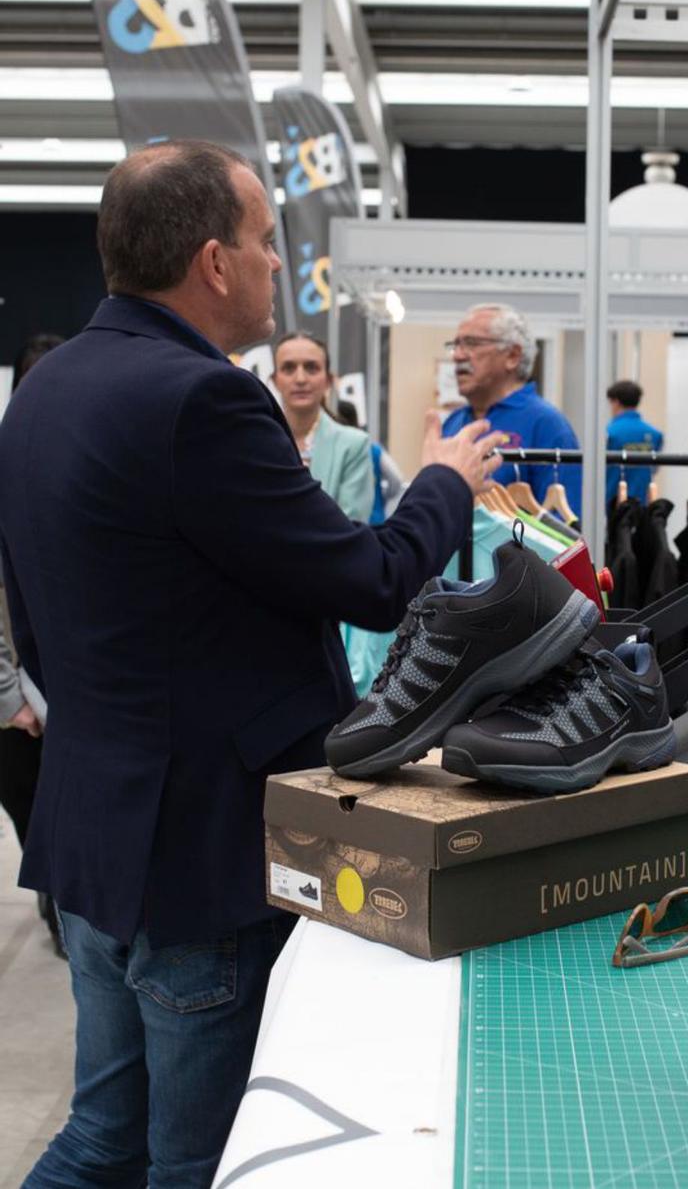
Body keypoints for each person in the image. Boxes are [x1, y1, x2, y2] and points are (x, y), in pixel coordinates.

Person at [0, 139, 501, 1188]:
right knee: (193, 1157)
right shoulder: (205, 400)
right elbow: (366, 575)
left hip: (95, 832)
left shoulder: (44, 392)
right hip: (200, 854)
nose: (281, 265)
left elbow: (39, 628)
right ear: (215, 263)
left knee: (103, 1136)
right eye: (269, 243)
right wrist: (445, 481)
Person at [0, 333, 63, 955]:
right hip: (19, 697)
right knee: (33, 809)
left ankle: (60, 909)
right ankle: (55, 910)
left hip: (66, 688)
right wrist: (8, 696)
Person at [442, 302, 581, 511]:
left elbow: (565, 525)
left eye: (471, 344)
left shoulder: (547, 424)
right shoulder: (454, 422)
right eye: (456, 345)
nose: (458, 356)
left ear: (512, 356)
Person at [272, 330, 373, 521]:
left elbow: (352, 524)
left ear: (328, 380)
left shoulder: (353, 446)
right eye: (288, 368)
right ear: (275, 380)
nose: (300, 379)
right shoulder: (258, 442)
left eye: (311, 368)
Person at [605, 380, 663, 504]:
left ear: (616, 402)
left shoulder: (609, 433)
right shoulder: (655, 435)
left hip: (613, 503)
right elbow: (654, 468)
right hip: (643, 503)